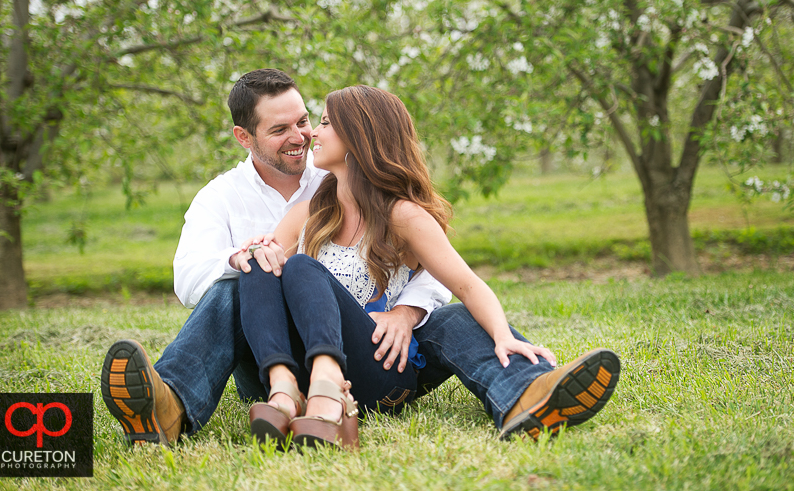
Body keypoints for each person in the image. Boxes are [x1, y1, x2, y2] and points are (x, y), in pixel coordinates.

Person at [232, 85, 620, 450]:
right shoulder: (308, 214)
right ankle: (287, 391)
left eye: (326, 123)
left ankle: (527, 394)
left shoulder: (403, 216)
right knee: (264, 261)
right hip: (297, 373)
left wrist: (503, 335)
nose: (312, 133)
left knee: (452, 319)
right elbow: (263, 271)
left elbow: (467, 285)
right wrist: (246, 255)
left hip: (374, 374)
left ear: (359, 136)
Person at [101, 69, 449, 445]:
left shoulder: (336, 174)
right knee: (239, 280)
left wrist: (406, 312)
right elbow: (187, 279)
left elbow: (436, 261)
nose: (300, 137)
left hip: (345, 350)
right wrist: (238, 259)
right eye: (280, 129)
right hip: (266, 355)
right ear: (244, 137)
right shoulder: (220, 197)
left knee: (298, 270)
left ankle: (321, 389)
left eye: (303, 121)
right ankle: (169, 404)